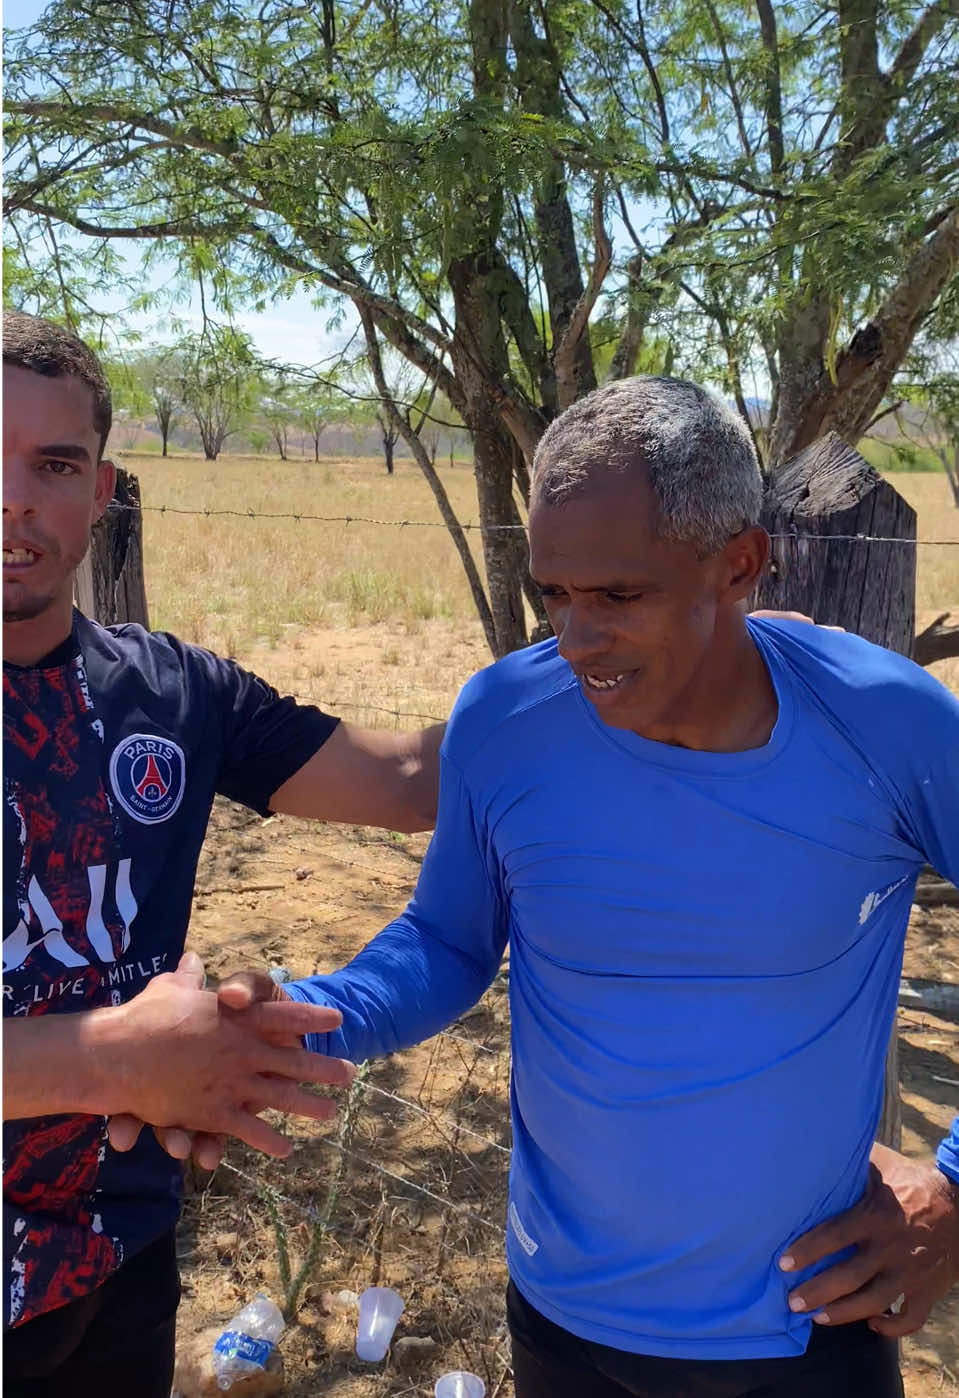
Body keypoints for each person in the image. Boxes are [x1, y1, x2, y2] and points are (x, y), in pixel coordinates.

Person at [277, 376, 959, 1397]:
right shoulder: (505, 721)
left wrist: (951, 1191)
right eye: (553, 592)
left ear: (737, 564)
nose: (574, 637)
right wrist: (304, 1019)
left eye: (616, 596)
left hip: (804, 1332)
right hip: (562, 1319)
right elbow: (449, 940)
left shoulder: (882, 724)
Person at [1, 309, 443, 1395]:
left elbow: (403, 781)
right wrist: (110, 1056)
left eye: (54, 464)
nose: (14, 500)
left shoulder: (171, 694)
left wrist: (643, 658)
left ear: (102, 493)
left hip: (121, 1247)